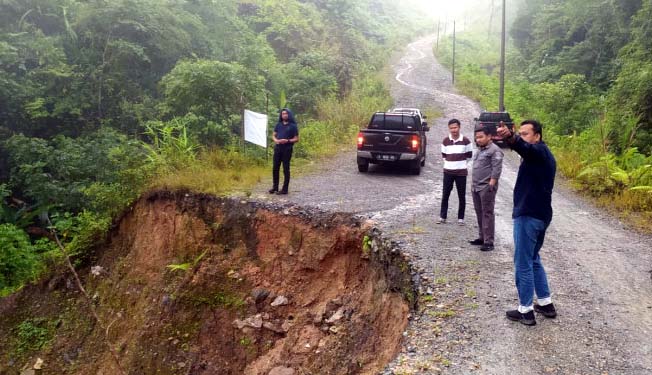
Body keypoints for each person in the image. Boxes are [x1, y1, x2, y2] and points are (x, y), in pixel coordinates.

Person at [496, 120, 557, 326]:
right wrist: (516, 140)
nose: (522, 137)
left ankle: (526, 310)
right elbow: (524, 149)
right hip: (541, 215)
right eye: (520, 133)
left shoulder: (538, 152)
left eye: (526, 134)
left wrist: (510, 138)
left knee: (523, 263)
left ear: (537, 136)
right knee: (533, 258)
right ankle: (546, 303)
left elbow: (523, 148)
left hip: (529, 215)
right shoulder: (544, 155)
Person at [470, 127, 503, 251]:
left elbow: (497, 169)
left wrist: (491, 185)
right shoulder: (479, 150)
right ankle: (482, 237)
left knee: (487, 213)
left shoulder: (495, 151)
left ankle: (489, 241)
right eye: (477, 137)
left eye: (481, 137)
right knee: (479, 212)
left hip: (486, 187)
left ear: (489, 137)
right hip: (476, 187)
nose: (478, 140)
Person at [437, 119, 473, 225]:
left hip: (461, 173)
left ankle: (461, 218)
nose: (454, 130)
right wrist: (450, 164)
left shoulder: (466, 141)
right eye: (451, 128)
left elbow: (469, 156)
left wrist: (460, 164)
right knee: (445, 194)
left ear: (459, 127)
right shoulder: (445, 141)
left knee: (461, 195)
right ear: (449, 128)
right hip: (448, 171)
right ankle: (443, 216)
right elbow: (444, 155)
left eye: (455, 127)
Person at [269, 108, 299, 195]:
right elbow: (273, 135)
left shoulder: (293, 126)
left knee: (286, 169)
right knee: (275, 168)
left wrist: (287, 141)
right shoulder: (278, 125)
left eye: (286, 113)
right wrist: (276, 140)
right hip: (278, 148)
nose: (284, 115)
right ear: (281, 115)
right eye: (283, 114)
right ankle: (275, 187)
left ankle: (285, 189)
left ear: (289, 115)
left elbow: (296, 138)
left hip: (287, 149)